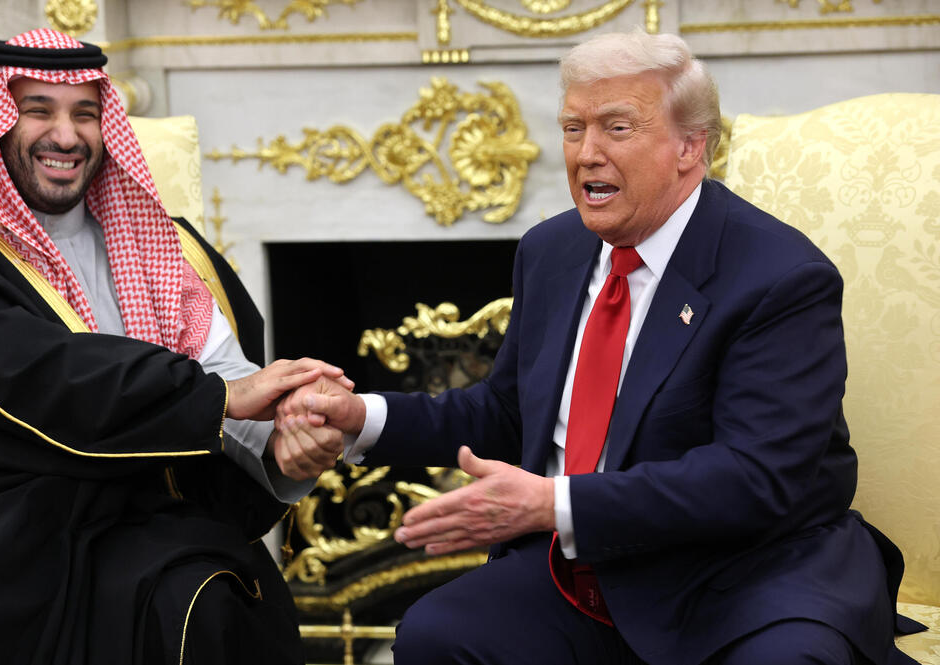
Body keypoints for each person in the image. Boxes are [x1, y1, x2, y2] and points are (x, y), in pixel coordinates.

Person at [276, 31, 920, 664]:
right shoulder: (551, 251)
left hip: (747, 573)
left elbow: (755, 478)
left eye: (617, 128)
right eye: (573, 128)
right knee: (436, 635)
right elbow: (507, 413)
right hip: (595, 569)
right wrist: (362, 416)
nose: (586, 154)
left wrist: (552, 503)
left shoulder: (780, 277)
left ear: (690, 146)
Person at [0, 29, 347, 664]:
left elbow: (226, 374)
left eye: (85, 114)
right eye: (39, 110)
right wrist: (220, 398)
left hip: (145, 513)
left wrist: (287, 442)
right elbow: (41, 375)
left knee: (206, 597)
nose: (66, 136)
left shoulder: (166, 245)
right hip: (3, 516)